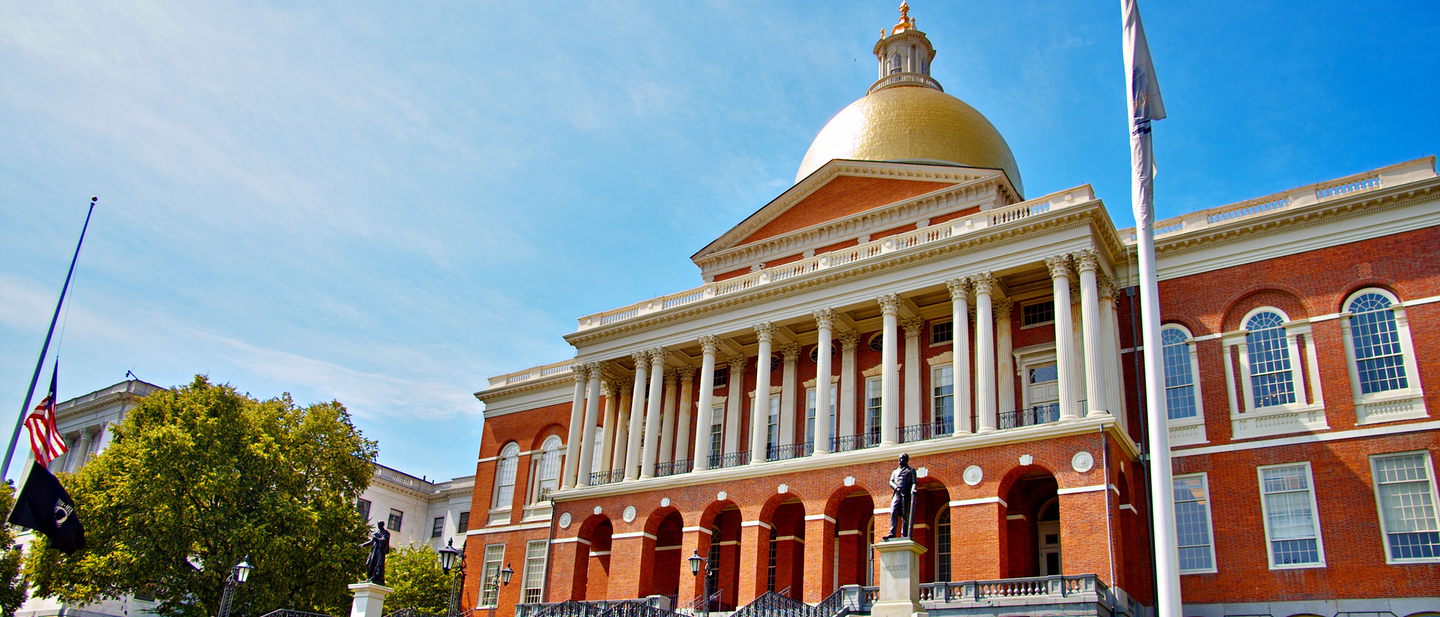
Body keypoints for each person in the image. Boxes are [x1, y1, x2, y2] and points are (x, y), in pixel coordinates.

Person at [884, 453, 916, 540]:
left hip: (905, 494)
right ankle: (892, 532)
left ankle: (904, 534)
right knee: (893, 511)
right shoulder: (895, 472)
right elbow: (891, 481)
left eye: (901, 459)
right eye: (899, 459)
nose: (899, 461)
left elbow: (914, 483)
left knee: (905, 514)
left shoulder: (911, 470)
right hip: (897, 494)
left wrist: (913, 489)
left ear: (906, 460)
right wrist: (896, 487)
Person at [361, 521, 391, 585]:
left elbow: (384, 540)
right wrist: (363, 545)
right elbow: (371, 541)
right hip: (374, 551)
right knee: (369, 563)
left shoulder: (386, 533)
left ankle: (375, 578)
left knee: (377, 565)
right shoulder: (377, 532)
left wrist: (376, 539)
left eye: (379, 524)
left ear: (382, 525)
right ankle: (370, 577)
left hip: (379, 552)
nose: (378, 526)